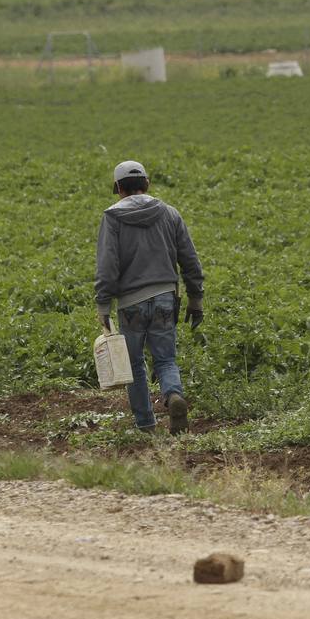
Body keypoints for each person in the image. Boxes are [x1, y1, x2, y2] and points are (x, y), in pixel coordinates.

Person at [94, 160, 204, 434]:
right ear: (147, 183)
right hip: (166, 297)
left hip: (130, 303)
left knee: (133, 365)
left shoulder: (112, 217)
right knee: (166, 360)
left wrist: (103, 304)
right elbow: (189, 260)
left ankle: (146, 425)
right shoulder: (170, 214)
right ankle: (173, 395)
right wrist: (195, 299)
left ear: (118, 188)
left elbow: (108, 266)